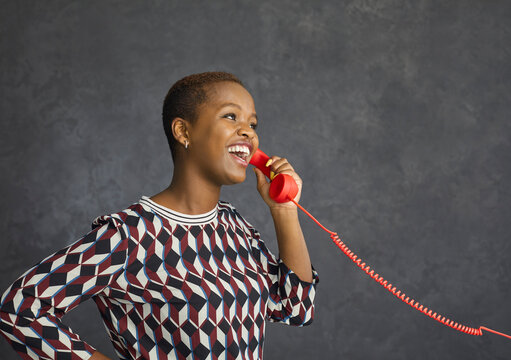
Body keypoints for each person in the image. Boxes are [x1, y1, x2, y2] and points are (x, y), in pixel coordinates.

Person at [0, 71, 319, 360]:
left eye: (252, 124)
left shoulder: (236, 227)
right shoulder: (128, 236)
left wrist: (283, 210)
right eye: (230, 116)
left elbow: (296, 308)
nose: (248, 133)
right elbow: (19, 312)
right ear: (183, 131)